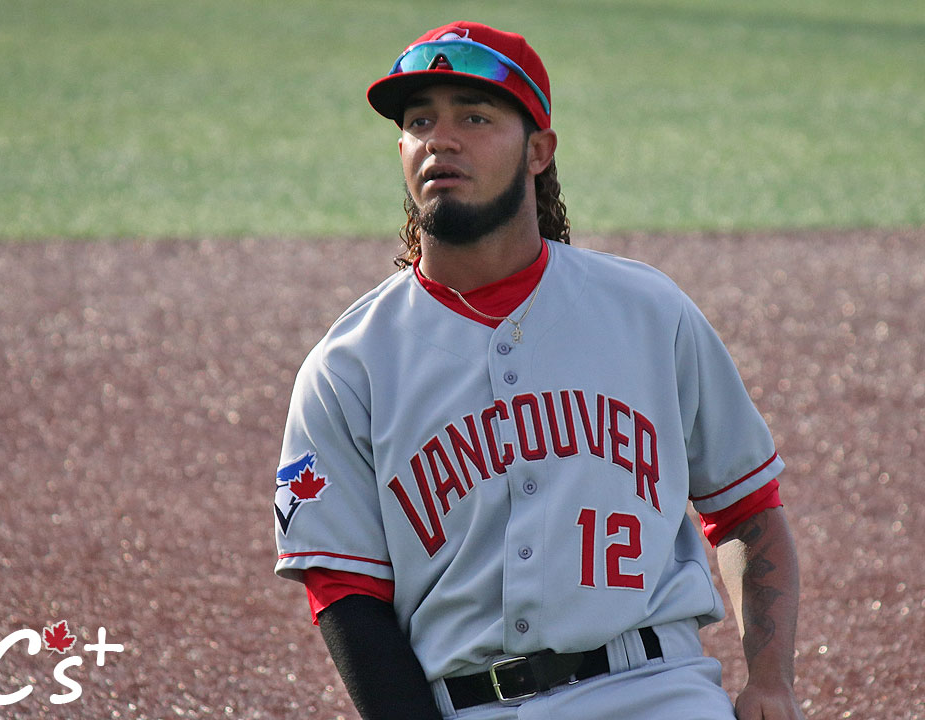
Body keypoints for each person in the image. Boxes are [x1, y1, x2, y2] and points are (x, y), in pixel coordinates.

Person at [273, 20, 805, 720]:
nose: (441, 138)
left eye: (475, 116)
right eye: (420, 120)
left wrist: (771, 680)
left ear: (539, 150)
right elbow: (344, 595)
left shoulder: (647, 311)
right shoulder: (347, 368)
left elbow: (745, 511)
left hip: (656, 691)